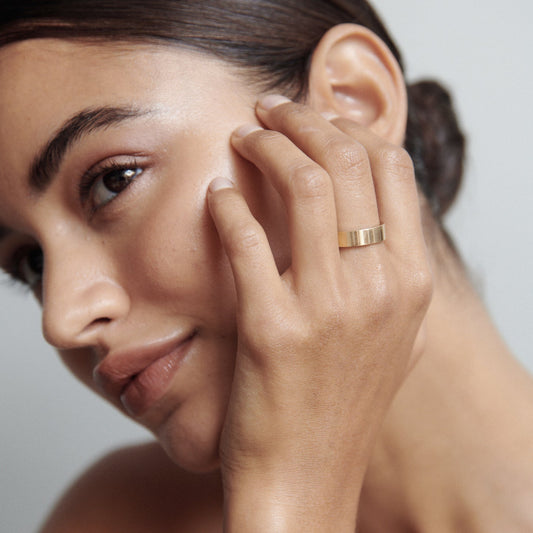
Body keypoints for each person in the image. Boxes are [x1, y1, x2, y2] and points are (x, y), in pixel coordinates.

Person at [0, 1, 531, 531]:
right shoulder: (112, 518)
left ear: (353, 100)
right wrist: (293, 493)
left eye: (113, 181)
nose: (61, 320)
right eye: (32, 263)